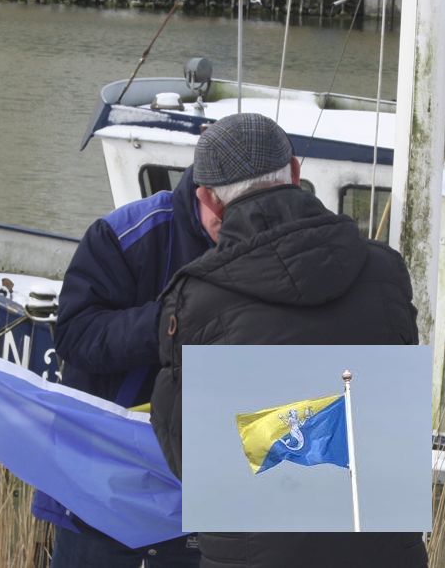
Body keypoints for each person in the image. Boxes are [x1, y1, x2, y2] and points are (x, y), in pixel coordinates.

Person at [150, 112, 428, 567]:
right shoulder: (385, 271)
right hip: (380, 548)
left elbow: (190, 457)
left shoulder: (196, 299)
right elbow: (392, 416)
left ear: (209, 201)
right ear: (296, 172)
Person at [34, 167, 217, 566]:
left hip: (204, 489)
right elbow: (73, 334)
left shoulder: (278, 245)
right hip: (104, 479)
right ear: (205, 195)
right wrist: (171, 323)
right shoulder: (127, 234)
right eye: (224, 217)